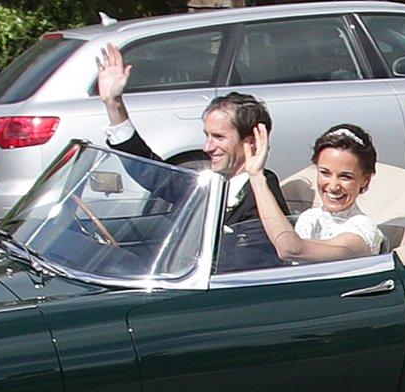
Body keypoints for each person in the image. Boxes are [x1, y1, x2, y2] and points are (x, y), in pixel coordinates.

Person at [96, 43, 289, 226]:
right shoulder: (208, 184)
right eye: (207, 136)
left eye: (219, 137)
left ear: (252, 142)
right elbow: (152, 173)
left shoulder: (263, 194)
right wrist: (113, 103)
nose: (207, 147)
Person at [245, 123, 383, 263]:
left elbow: (291, 250)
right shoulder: (309, 217)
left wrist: (257, 177)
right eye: (325, 173)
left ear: (365, 180)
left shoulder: (363, 228)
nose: (334, 186)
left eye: (345, 177)